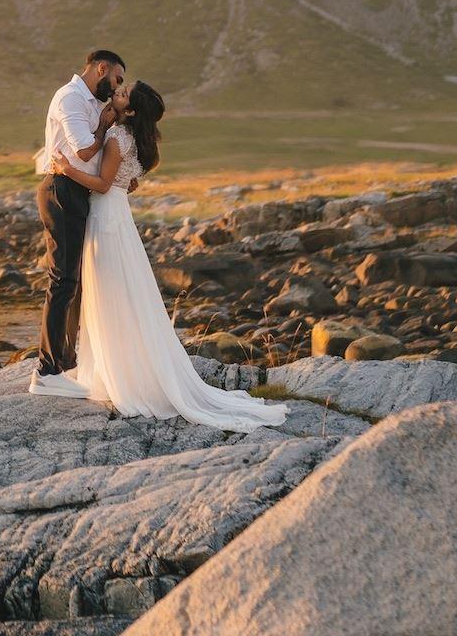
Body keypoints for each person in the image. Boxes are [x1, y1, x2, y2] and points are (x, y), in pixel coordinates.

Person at [60, 80, 288, 428]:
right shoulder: (133, 138)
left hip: (107, 218)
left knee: (110, 295)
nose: (115, 94)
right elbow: (123, 182)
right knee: (122, 294)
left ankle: (119, 376)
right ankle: (118, 370)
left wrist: (68, 170)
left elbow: (104, 184)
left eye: (122, 94)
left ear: (131, 110)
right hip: (117, 217)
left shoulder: (118, 138)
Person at [26, 48, 123, 385]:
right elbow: (83, 149)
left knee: (74, 282)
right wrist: (105, 126)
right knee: (62, 279)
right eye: (116, 78)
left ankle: (66, 362)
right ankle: (47, 369)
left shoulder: (94, 102)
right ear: (101, 68)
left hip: (78, 191)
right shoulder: (69, 98)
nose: (116, 86)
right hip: (61, 190)